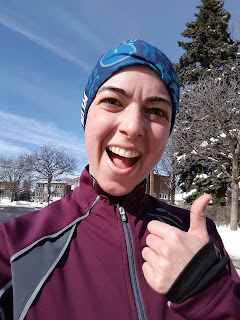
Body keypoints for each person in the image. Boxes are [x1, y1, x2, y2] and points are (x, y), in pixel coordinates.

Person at [0, 39, 239, 320]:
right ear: (86, 116)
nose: (133, 127)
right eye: (112, 101)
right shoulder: (14, 247)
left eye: (157, 111)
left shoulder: (198, 237)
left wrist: (207, 296)